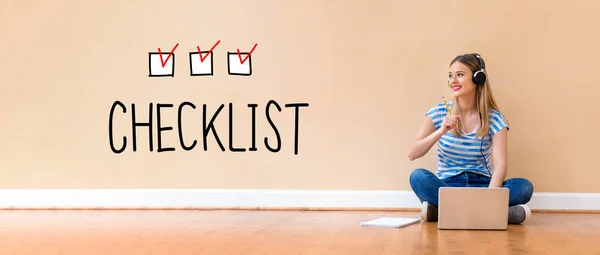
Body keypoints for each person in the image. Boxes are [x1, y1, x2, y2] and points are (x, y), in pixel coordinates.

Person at [407, 53, 534, 224]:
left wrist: (491, 195)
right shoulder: (438, 112)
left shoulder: (494, 118)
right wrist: (440, 131)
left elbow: (501, 164)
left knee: (524, 186)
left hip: (483, 186)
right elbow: (412, 153)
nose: (453, 81)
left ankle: (445, 213)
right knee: (418, 177)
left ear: (478, 78)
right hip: (448, 187)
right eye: (450, 76)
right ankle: (492, 214)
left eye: (460, 75)